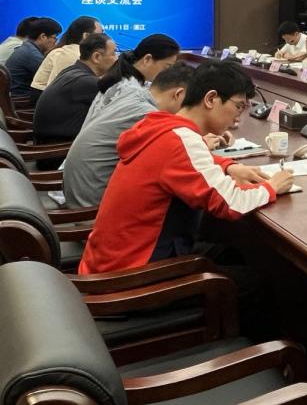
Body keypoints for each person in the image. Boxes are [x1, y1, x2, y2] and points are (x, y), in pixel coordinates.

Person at [79, 60, 293, 275]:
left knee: (230, 253)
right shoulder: (180, 140)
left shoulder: (160, 125)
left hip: (109, 260)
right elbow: (232, 202)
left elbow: (179, 162)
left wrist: (227, 167)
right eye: (238, 106)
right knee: (259, 280)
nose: (238, 118)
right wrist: (272, 186)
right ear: (210, 99)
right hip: (130, 274)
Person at [63, 62, 194, 208]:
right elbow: (174, 156)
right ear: (179, 94)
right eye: (189, 104)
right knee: (178, 197)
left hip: (78, 188)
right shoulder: (147, 114)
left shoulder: (132, 94)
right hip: (92, 204)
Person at [33, 33, 118, 144]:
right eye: (114, 53)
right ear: (96, 57)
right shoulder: (86, 82)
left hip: (48, 141)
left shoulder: (72, 71)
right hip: (59, 149)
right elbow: (122, 107)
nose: (117, 58)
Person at [31, 15, 103, 94]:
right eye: (101, 34)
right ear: (86, 36)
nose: (104, 38)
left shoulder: (67, 50)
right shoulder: (72, 54)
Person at [6, 17, 62, 101]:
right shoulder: (32, 55)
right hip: (22, 102)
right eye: (54, 38)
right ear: (43, 36)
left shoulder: (27, 48)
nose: (56, 42)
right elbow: (53, 80)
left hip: (14, 98)